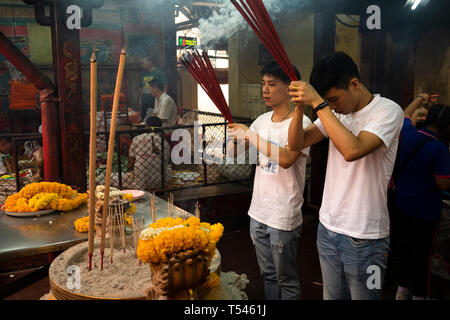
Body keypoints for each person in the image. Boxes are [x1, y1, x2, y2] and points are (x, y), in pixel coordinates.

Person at [288, 52, 404, 300]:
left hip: (365, 238)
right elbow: (296, 144)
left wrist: (320, 104)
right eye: (327, 102)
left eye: (334, 99)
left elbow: (353, 150)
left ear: (354, 84)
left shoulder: (388, 110)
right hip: (328, 228)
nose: (332, 106)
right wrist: (299, 109)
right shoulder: (335, 113)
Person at [227, 61, 312, 300]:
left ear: (290, 89)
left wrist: (249, 134)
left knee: (286, 278)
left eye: (272, 84)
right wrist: (235, 136)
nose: (264, 89)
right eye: (263, 84)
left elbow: (286, 159)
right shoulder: (262, 121)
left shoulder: (300, 123)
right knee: (268, 274)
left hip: (282, 215)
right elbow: (235, 153)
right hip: (259, 213)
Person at [390, 99, 450, 300]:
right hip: (425, 212)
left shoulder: (408, 134)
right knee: (422, 256)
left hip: (401, 205)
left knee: (404, 250)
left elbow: (405, 114)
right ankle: (418, 294)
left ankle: (401, 291)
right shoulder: (440, 149)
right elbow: (443, 183)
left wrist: (419, 99)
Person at [128, 116, 172, 190]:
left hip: (140, 183)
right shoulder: (165, 143)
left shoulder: (137, 139)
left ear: (147, 126)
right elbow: (165, 163)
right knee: (169, 172)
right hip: (159, 182)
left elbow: (131, 161)